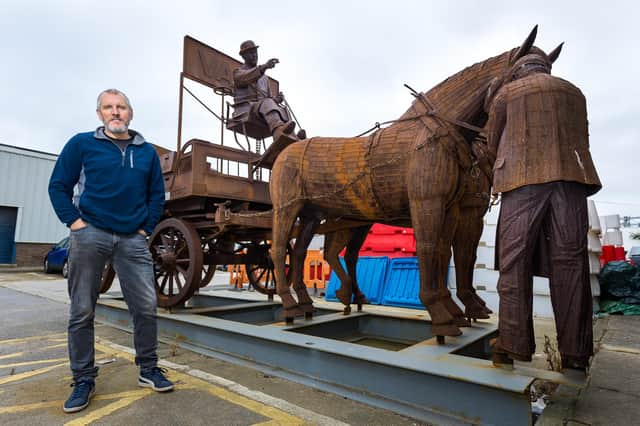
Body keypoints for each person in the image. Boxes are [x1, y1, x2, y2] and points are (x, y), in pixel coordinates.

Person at [48, 88, 173, 413]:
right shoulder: (81, 143)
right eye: (108, 107)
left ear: (130, 113)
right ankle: (83, 379)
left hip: (133, 238)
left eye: (121, 107)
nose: (115, 112)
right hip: (91, 233)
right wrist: (75, 223)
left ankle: (148, 369)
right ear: (100, 114)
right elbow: (58, 185)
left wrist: (146, 228)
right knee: (82, 310)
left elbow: (156, 196)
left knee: (146, 306)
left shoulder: (146, 152)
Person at [486, 49, 602, 372]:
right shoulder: (574, 93)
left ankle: (513, 343)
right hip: (572, 181)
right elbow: (584, 137)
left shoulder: (508, 92)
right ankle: (576, 353)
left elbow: (491, 141)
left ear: (518, 69)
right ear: (545, 67)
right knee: (571, 264)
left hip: (522, 179)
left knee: (514, 262)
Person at [232, 40, 305, 144]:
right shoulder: (238, 73)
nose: (254, 55)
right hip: (246, 108)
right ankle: (278, 132)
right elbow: (247, 77)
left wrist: (276, 100)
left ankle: (292, 136)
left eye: (255, 53)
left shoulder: (264, 79)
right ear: (243, 56)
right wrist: (264, 67)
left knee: (283, 109)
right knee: (267, 102)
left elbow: (269, 99)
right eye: (251, 53)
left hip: (260, 110)